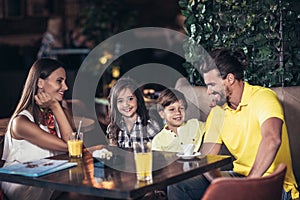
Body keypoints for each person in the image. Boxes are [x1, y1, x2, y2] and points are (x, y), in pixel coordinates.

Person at [168, 48, 299, 199]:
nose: (209, 91)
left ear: (230, 79)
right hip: (239, 178)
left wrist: (249, 184)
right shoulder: (218, 114)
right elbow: (207, 159)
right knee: (179, 185)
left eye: (212, 84)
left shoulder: (263, 97)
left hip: (274, 183)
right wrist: (221, 185)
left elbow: (272, 139)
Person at [1, 58, 73, 200]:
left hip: (50, 175)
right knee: (78, 192)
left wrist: (57, 108)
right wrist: (55, 106)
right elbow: (69, 146)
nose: (65, 87)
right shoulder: (20, 122)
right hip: (24, 183)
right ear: (40, 83)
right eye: (59, 81)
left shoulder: (60, 112)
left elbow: (75, 144)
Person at [106, 77, 161, 148]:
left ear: (138, 99)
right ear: (115, 104)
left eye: (130, 99)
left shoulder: (150, 126)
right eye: (120, 101)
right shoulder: (112, 128)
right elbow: (113, 153)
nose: (126, 104)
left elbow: (159, 154)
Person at [152, 88, 205, 153]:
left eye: (181, 108)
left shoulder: (196, 124)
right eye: (172, 109)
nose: (178, 112)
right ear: (162, 114)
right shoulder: (158, 141)